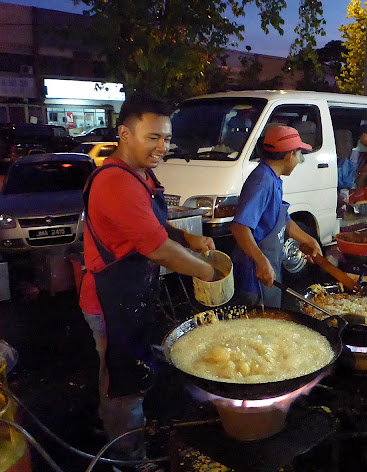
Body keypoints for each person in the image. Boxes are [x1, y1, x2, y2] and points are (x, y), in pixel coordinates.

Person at [80, 92, 217, 470]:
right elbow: (156, 247)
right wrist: (207, 272)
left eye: (167, 138)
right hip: (110, 299)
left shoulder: (141, 174)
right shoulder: (115, 183)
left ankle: (110, 426)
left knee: (119, 368)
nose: (162, 147)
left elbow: (155, 224)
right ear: (125, 134)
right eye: (152, 137)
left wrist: (187, 237)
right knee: (125, 378)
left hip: (130, 292)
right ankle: (127, 458)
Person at [230, 125, 322, 308]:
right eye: (299, 155)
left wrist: (310, 240)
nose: (299, 160)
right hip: (253, 275)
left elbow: (283, 220)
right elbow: (239, 227)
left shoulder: (272, 178)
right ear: (289, 155)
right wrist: (262, 262)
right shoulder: (262, 181)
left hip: (268, 265)